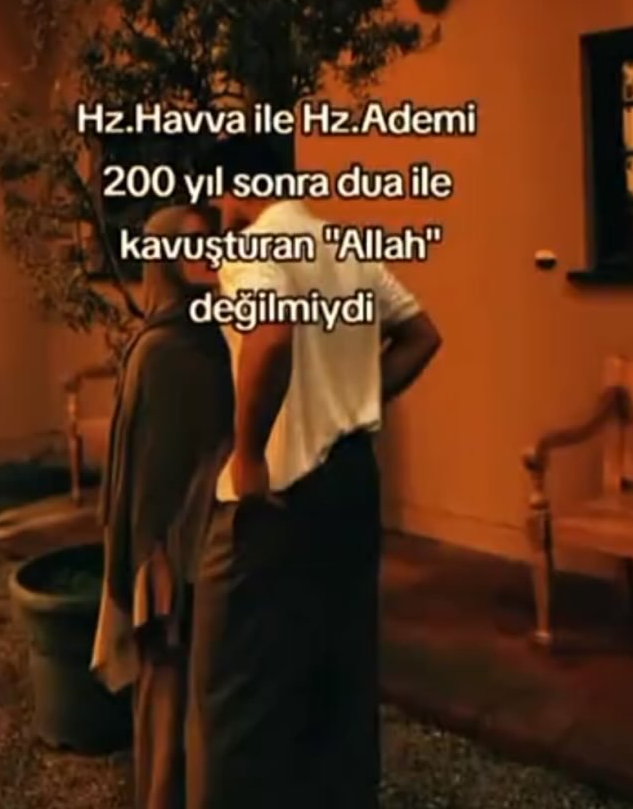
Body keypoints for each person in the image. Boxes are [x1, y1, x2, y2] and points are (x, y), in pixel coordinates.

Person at [186, 135, 443, 809]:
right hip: (351, 479)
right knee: (340, 665)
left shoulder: (254, 249)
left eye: (217, 196)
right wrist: (358, 395)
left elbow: (271, 335)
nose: (217, 211)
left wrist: (247, 453)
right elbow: (423, 335)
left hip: (280, 493)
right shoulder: (347, 247)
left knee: (235, 680)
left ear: (236, 187)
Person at [92, 204, 234, 809]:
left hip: (218, 539)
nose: (207, 254)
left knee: (206, 698)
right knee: (166, 692)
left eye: (210, 242)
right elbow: (146, 473)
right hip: (169, 556)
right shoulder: (159, 350)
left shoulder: (218, 336)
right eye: (191, 244)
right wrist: (153, 562)